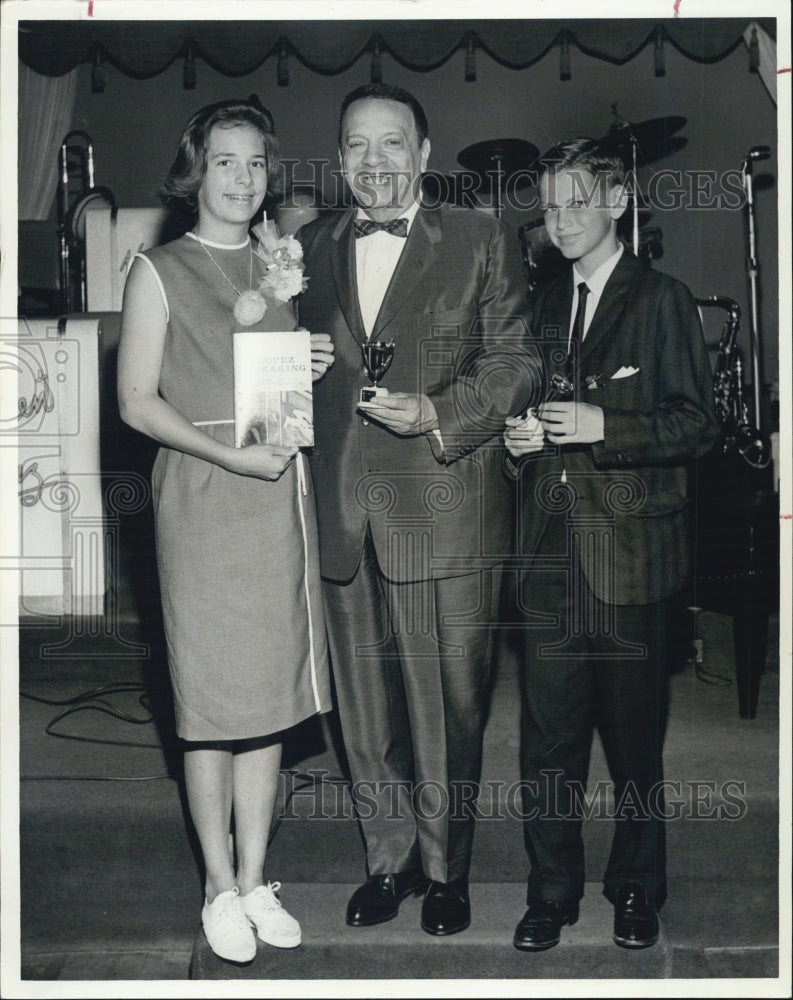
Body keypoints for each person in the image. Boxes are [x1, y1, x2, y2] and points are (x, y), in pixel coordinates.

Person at [296, 83, 540, 937]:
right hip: (339, 512)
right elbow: (275, 385)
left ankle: (446, 871)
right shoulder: (307, 245)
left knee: (447, 706)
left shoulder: (480, 237)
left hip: (444, 505)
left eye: (390, 144)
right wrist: (288, 361)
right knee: (363, 706)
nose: (372, 163)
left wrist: (439, 412)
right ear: (338, 160)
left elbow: (517, 363)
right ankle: (388, 860)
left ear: (424, 155)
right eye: (356, 146)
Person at [117, 98, 335, 964]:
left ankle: (253, 877)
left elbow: (273, 390)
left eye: (255, 164)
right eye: (224, 163)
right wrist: (229, 458)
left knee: (268, 703)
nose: (243, 179)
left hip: (276, 500)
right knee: (211, 704)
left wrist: (308, 360)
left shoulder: (282, 262)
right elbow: (136, 402)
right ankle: (214, 884)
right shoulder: (159, 269)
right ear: (194, 172)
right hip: (206, 503)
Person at [503, 137, 719, 952]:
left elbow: (697, 425)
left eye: (575, 203)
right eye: (550, 206)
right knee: (547, 744)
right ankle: (549, 893)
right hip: (551, 558)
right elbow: (530, 408)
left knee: (633, 746)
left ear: (617, 204)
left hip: (631, 559)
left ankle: (635, 889)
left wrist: (604, 428)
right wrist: (521, 439)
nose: (559, 219)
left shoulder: (661, 299)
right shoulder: (542, 303)